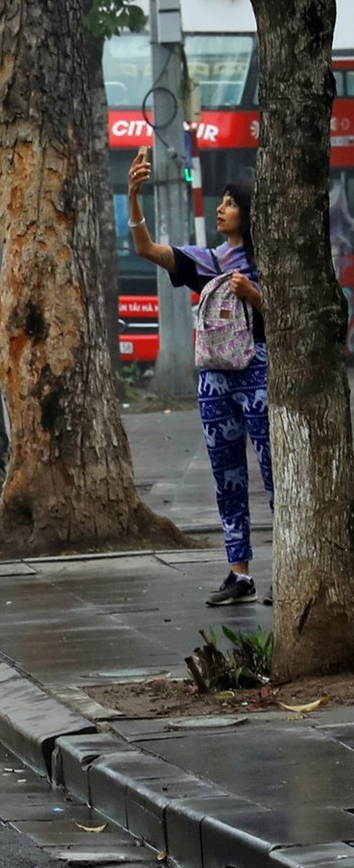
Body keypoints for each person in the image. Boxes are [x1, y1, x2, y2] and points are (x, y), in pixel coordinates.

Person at [126, 153, 273, 606]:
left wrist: (256, 296)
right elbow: (147, 249)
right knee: (226, 477)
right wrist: (133, 196)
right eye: (222, 202)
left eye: (230, 203)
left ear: (247, 215)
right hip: (214, 381)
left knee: (275, 473)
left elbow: (290, 317)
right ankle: (239, 573)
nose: (221, 208)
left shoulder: (267, 262)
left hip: (257, 373)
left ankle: (291, 569)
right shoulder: (208, 261)